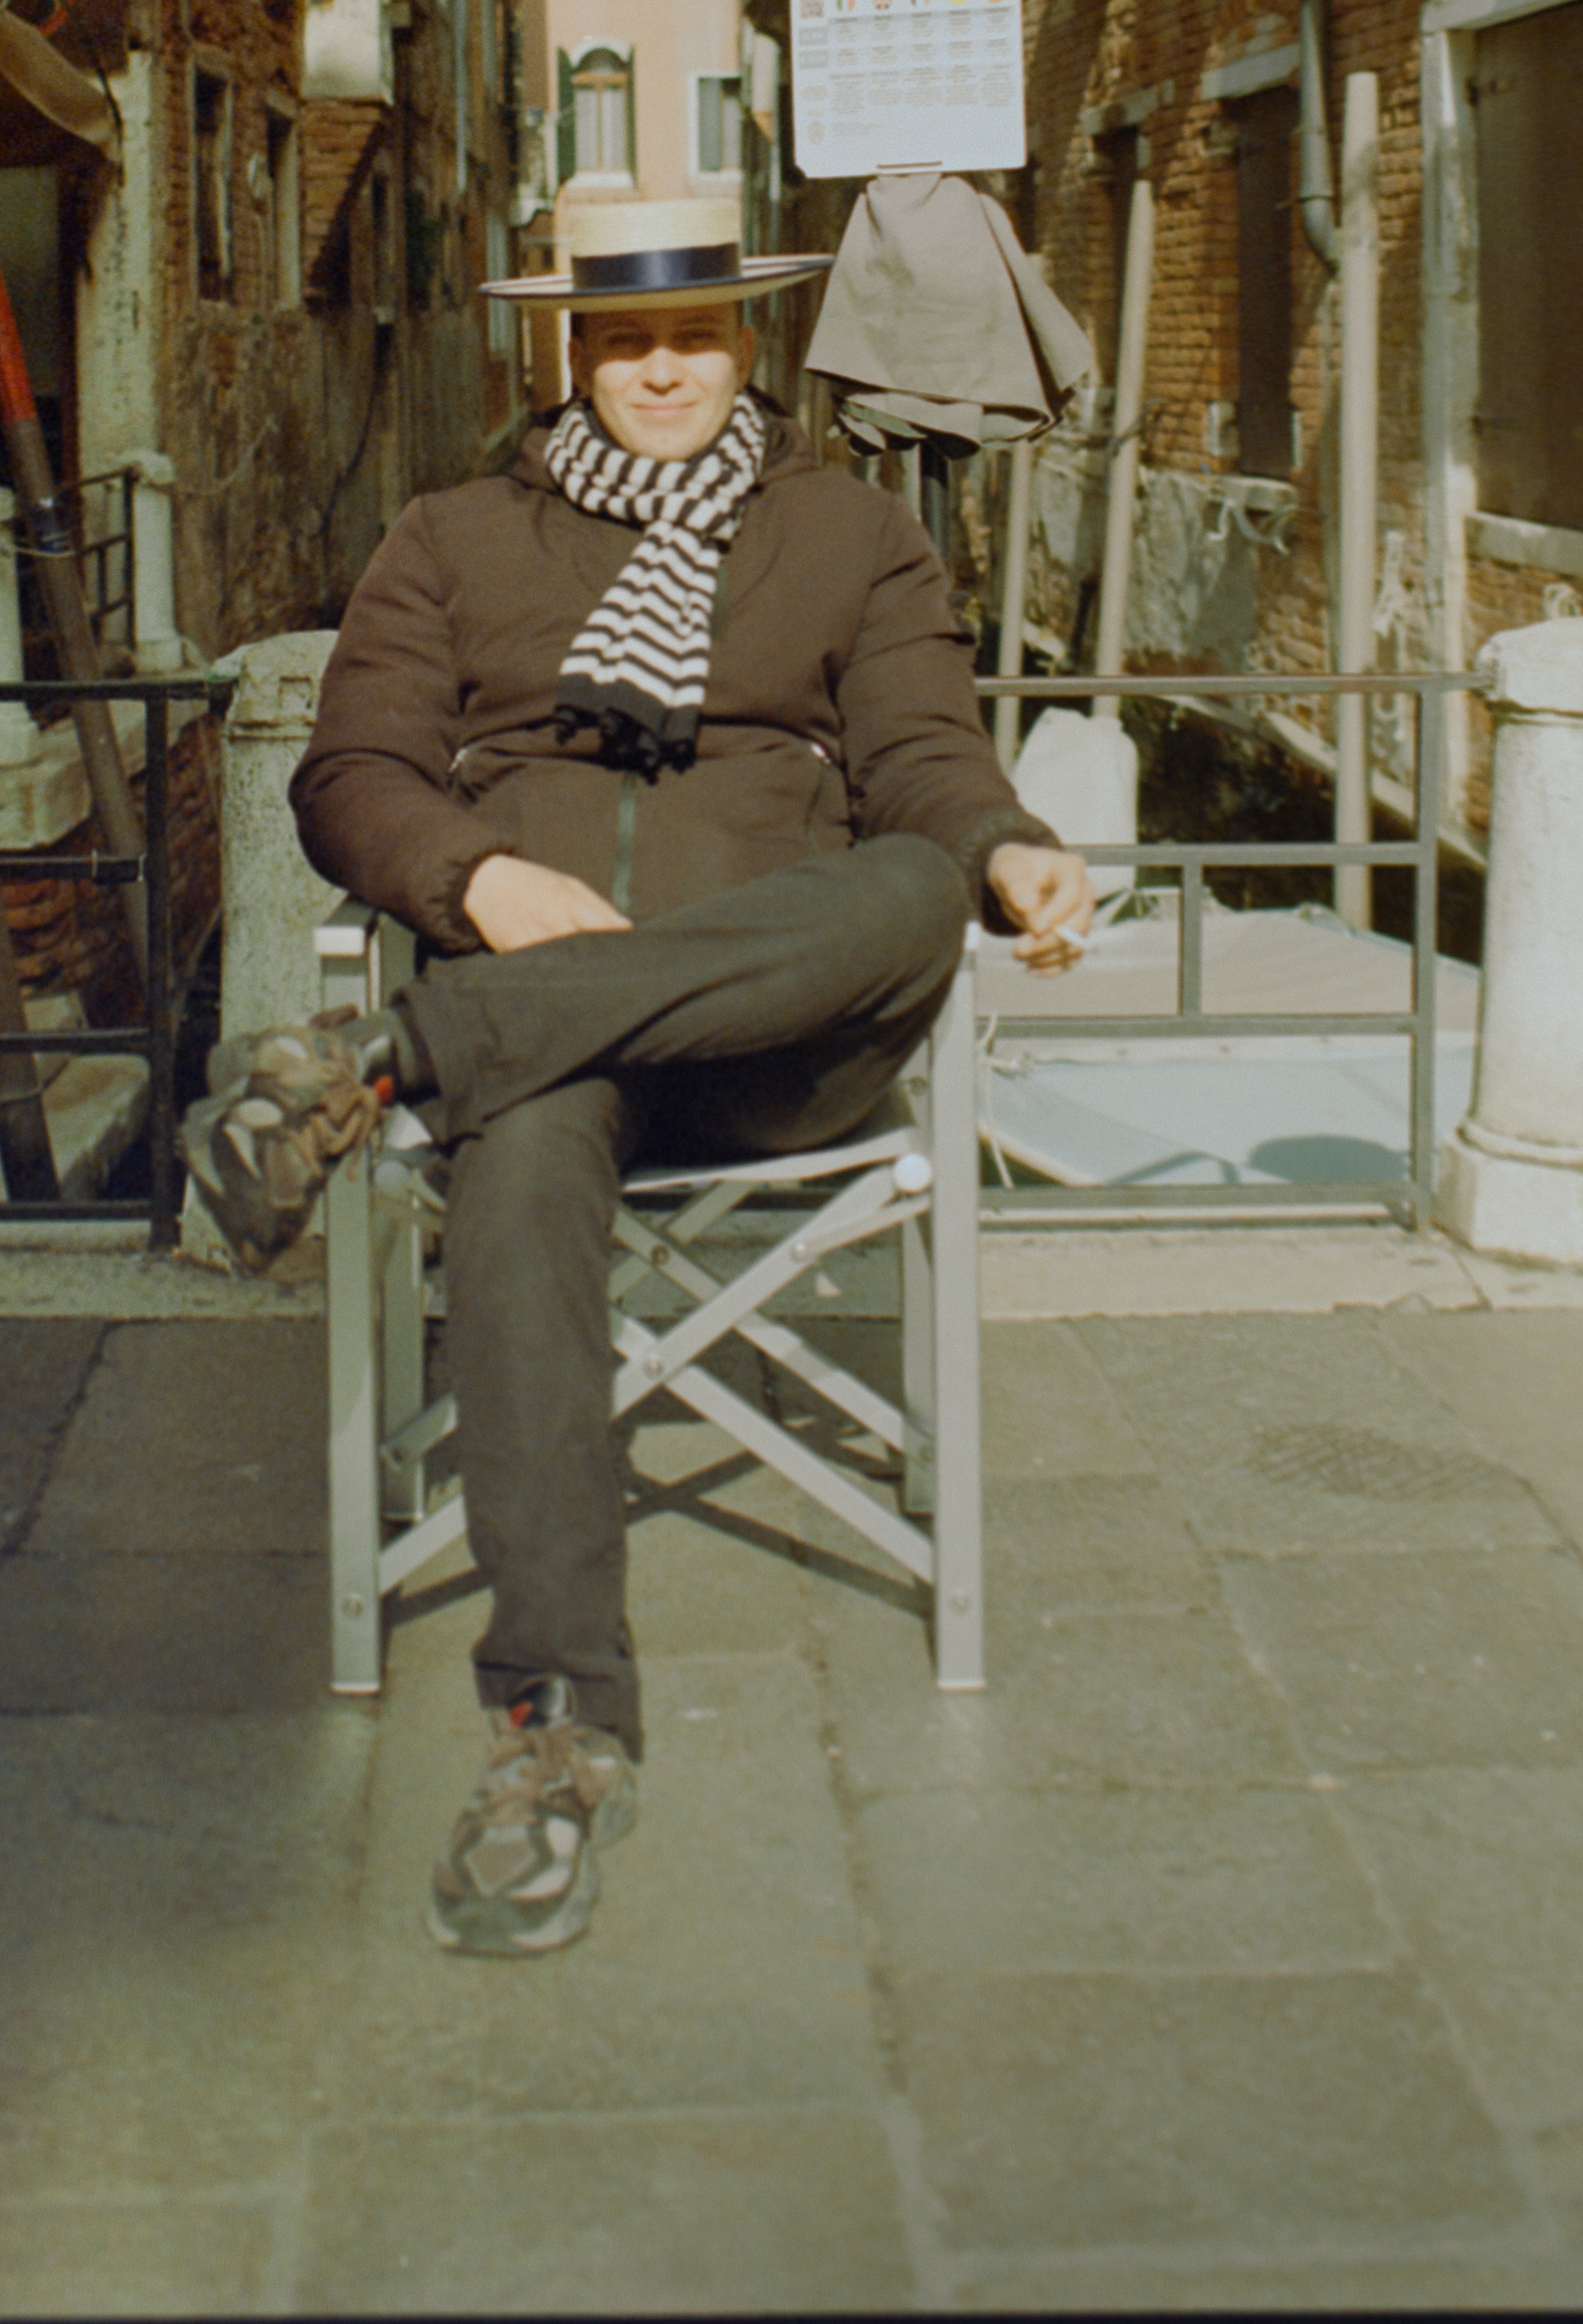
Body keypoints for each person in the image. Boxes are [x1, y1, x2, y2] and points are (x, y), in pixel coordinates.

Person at [181, 195, 1092, 1958]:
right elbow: (354, 770)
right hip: (548, 1047)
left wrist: (1004, 849)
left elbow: (920, 753)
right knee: (522, 1170)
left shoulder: (851, 536)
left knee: (912, 884)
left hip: (777, 1046)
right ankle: (556, 1730)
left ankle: (386, 1061)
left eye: (693, 335)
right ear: (567, 349)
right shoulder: (450, 537)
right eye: (619, 339)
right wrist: (476, 882)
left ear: (743, 342)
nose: (659, 369)